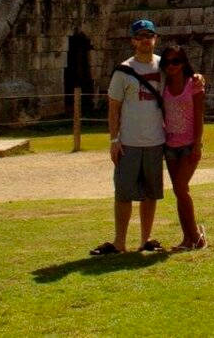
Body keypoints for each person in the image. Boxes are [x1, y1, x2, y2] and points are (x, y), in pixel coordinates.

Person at [90, 18, 166, 255]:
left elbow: (186, 82)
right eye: (140, 36)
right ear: (133, 41)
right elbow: (113, 108)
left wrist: (198, 77)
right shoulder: (124, 70)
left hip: (155, 140)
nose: (145, 40)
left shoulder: (164, 67)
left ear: (155, 39)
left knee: (150, 194)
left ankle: (146, 239)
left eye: (149, 36)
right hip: (129, 142)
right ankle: (119, 241)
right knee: (123, 193)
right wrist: (114, 140)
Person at [160, 43, 206, 250]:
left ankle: (196, 236)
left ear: (183, 62)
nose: (172, 65)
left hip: (188, 145)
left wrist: (197, 144)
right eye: (168, 61)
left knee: (181, 188)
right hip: (170, 145)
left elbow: (199, 116)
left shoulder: (193, 84)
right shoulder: (163, 85)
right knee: (179, 191)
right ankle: (188, 239)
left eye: (176, 61)